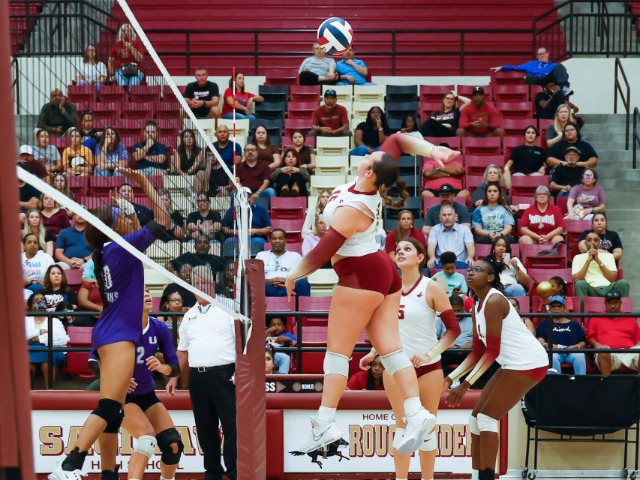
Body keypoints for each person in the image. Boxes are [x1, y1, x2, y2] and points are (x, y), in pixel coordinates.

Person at [285, 133, 459, 456]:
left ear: (369, 171)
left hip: (361, 272)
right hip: (381, 269)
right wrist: (434, 150)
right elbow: (398, 139)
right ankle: (417, 413)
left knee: (337, 352)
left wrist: (292, 274)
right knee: (391, 349)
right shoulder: (367, 180)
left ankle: (324, 423)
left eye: (369, 157)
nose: (369, 154)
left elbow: (322, 252)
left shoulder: (355, 209)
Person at [48, 167, 170, 480]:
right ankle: (68, 466)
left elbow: (137, 226)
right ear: (113, 227)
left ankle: (106, 474)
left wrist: (125, 208)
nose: (128, 217)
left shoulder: (108, 251)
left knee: (113, 411)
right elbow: (164, 220)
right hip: (118, 335)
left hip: (109, 331)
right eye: (121, 216)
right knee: (108, 407)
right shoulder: (122, 249)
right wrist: (143, 182)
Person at [360, 237, 459, 480]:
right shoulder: (387, 289)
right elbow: (384, 328)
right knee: (402, 426)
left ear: (420, 257)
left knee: (427, 429)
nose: (401, 252)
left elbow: (453, 330)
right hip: (396, 367)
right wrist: (373, 352)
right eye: (398, 250)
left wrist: (429, 354)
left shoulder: (431, 287)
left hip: (429, 368)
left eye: (407, 249)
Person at [444, 256, 548, 480]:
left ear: (490, 277)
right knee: (475, 419)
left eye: (478, 270)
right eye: (470, 269)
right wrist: (449, 379)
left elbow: (491, 352)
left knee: (487, 418)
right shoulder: (476, 307)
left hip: (529, 362)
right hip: (512, 363)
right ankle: (477, 475)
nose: (471, 272)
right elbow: (477, 351)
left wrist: (465, 385)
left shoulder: (494, 301)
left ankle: (487, 477)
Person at [89, 289, 182, 480]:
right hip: (121, 395)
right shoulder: (117, 327)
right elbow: (92, 362)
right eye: (141, 292)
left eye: (148, 292)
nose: (147, 295)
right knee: (147, 438)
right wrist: (117, 378)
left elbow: (175, 368)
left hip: (147, 394)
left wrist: (162, 368)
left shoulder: (159, 327)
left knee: (173, 446)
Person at [167, 268, 238, 480]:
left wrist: (240, 371)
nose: (200, 288)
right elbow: (182, 351)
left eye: (204, 283)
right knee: (205, 426)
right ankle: (212, 472)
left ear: (213, 284)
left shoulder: (229, 308)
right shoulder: (189, 315)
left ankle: (235, 471)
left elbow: (243, 343)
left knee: (231, 424)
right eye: (196, 284)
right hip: (198, 378)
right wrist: (174, 377)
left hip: (225, 375)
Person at [587, 290, 640, 376]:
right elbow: (591, 338)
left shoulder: (630, 318)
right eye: (609, 303)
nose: (612, 306)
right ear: (605, 303)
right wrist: (598, 345)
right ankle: (607, 383)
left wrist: (636, 347)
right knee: (603, 351)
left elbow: (638, 339)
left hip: (629, 352)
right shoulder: (595, 318)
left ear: (620, 303)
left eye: (616, 303)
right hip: (609, 353)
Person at [26, 292, 70, 390]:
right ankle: (28, 392)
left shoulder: (55, 321)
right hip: (30, 350)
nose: (39, 302)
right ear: (31, 306)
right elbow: (21, 336)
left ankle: (48, 391)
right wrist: (40, 332)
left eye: (42, 300)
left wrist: (37, 339)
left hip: (53, 350)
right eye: (36, 301)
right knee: (28, 361)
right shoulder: (25, 320)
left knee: (47, 358)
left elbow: (62, 339)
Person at [536, 296, 587, 375]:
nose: (556, 308)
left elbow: (583, 342)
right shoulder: (544, 324)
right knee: (553, 357)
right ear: (550, 309)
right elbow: (540, 341)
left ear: (565, 308)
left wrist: (574, 347)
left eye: (559, 306)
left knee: (580, 356)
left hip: (571, 351)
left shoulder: (574, 324)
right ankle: (557, 381)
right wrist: (555, 347)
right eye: (553, 306)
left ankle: (581, 380)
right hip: (554, 351)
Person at [490, 46, 572, 95]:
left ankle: (562, 88)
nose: (541, 55)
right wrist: (503, 67)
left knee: (560, 67)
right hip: (538, 80)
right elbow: (516, 67)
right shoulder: (531, 64)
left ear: (547, 54)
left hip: (549, 79)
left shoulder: (553, 65)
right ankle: (562, 89)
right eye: (539, 54)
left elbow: (564, 75)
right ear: (537, 56)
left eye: (543, 53)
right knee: (528, 78)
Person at [572, 232, 630, 298]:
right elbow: (577, 280)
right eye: (589, 240)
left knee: (623, 283)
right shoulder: (578, 257)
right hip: (590, 288)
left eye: (596, 240)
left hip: (608, 288)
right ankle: (583, 305)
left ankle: (622, 305)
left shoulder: (609, 256)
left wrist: (598, 261)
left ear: (599, 243)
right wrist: (588, 261)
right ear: (585, 243)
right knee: (580, 284)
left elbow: (612, 279)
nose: (592, 242)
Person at [256, 228, 311, 297]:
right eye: (274, 239)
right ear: (270, 241)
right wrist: (269, 281)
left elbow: (303, 277)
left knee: (303, 283)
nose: (277, 241)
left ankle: (303, 304)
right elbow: (255, 278)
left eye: (280, 238)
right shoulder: (261, 255)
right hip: (268, 288)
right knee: (258, 284)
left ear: (285, 240)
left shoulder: (295, 256)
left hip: (290, 288)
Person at [427, 204, 475, 269]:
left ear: (455, 217)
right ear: (440, 218)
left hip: (460, 262)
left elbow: (470, 245)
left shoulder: (465, 229)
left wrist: (470, 257)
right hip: (441, 263)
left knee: (470, 265)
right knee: (432, 265)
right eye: (444, 215)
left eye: (449, 215)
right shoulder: (434, 229)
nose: (447, 217)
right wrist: (432, 257)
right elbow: (431, 245)